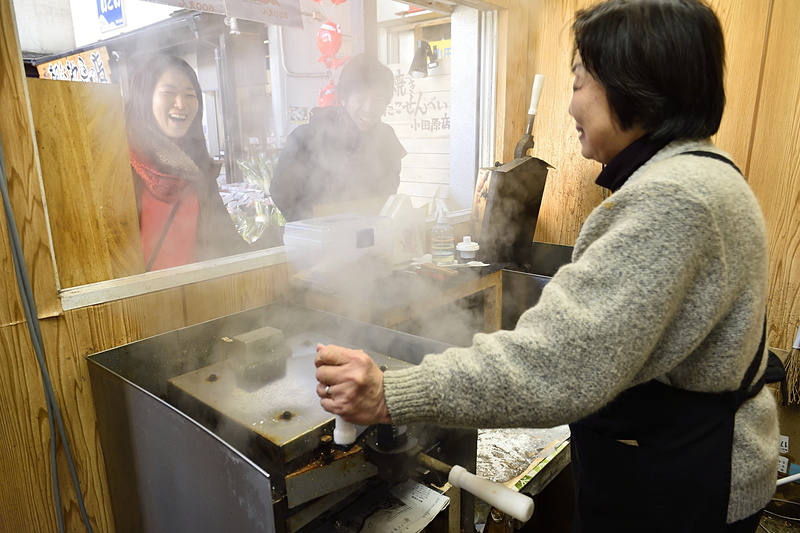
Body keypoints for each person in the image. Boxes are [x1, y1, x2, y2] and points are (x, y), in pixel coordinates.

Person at [313, 1, 778, 531]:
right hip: (675, 468)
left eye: (579, 82)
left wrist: (391, 392)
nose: (571, 105)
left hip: (682, 487)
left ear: (633, 85)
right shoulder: (698, 173)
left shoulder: (673, 199)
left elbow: (555, 364)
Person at [125, 54, 249, 271]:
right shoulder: (121, 166)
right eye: (168, 93)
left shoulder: (197, 169)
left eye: (190, 95)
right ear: (144, 98)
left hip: (194, 297)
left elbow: (227, 241)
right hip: (137, 301)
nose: (181, 104)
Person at [270, 54, 407, 222]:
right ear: (344, 98)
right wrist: (309, 225)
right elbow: (281, 192)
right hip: (316, 238)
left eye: (378, 99)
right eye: (360, 98)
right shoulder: (307, 136)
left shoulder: (387, 139)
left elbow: (389, 189)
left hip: (369, 237)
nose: (368, 109)